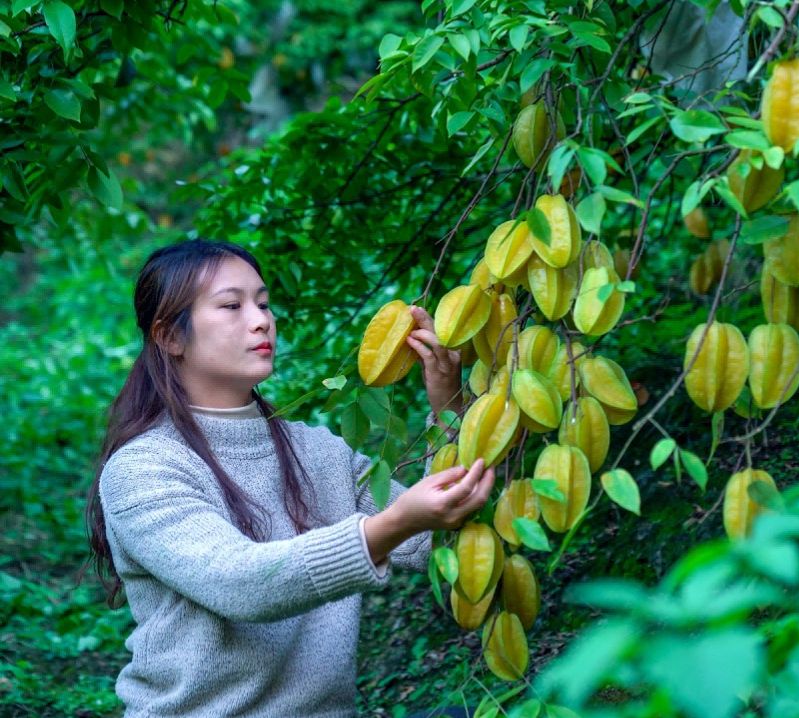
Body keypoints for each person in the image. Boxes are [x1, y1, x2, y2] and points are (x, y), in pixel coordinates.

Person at [82, 238, 494, 716]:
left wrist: (450, 409)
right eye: (231, 306)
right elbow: (241, 582)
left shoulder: (316, 451)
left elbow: (429, 540)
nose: (261, 320)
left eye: (263, 303)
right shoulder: (144, 468)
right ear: (170, 337)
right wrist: (393, 523)